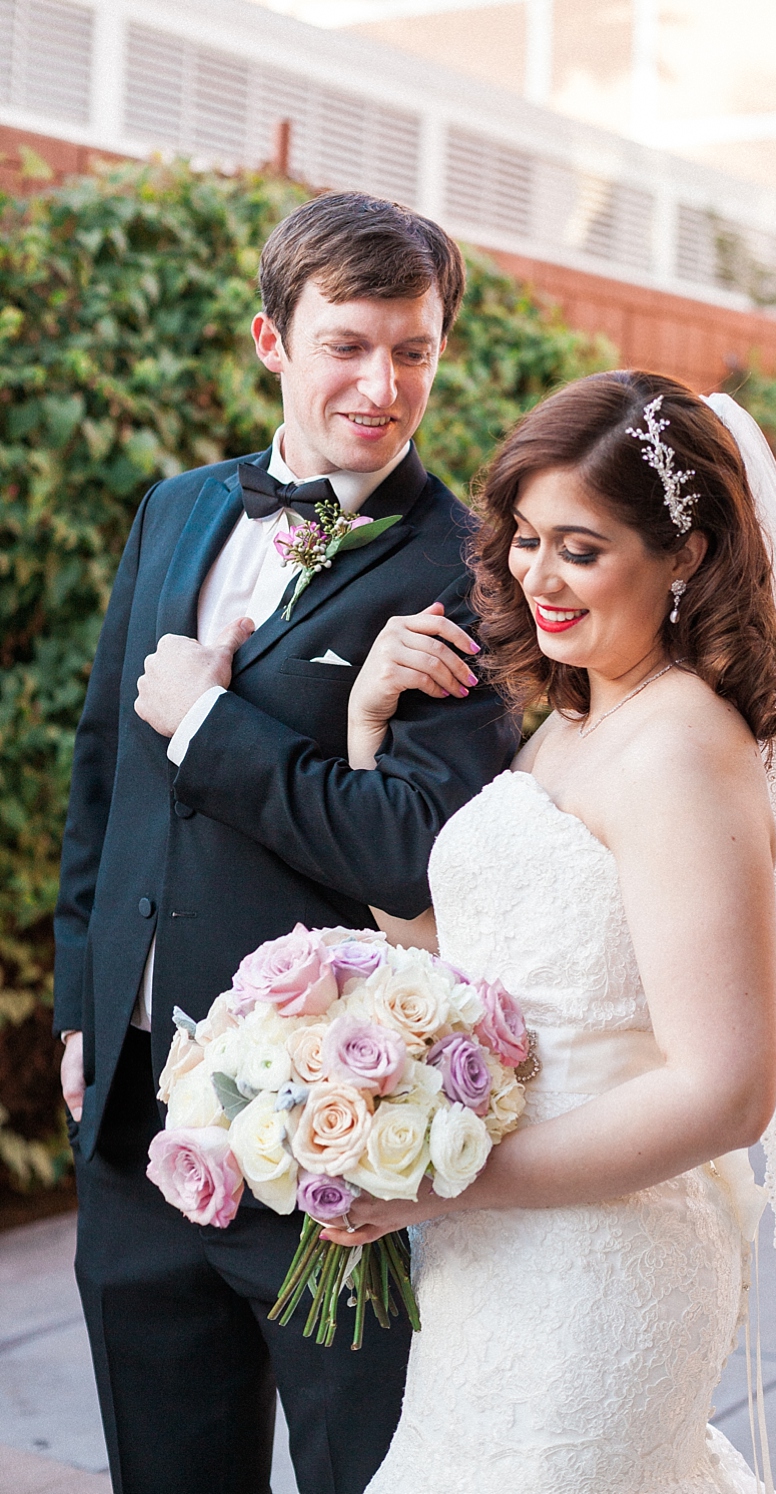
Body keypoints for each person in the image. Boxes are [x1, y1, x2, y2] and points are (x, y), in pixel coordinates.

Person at [328, 371, 776, 1494]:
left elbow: (724, 1090)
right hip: (491, 1261)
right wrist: (363, 737)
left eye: (579, 549)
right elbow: (458, 965)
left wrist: (447, 1185)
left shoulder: (681, 749)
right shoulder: (575, 719)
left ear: (682, 555)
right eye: (526, 538)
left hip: (593, 1274)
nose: (536, 574)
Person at [52, 191, 518, 1494]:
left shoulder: (467, 571)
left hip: (333, 1126)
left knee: (358, 1470)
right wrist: (81, 1005)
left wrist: (206, 720)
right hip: (137, 1117)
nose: (382, 385)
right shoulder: (176, 510)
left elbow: (409, 848)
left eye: (412, 349)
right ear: (273, 339)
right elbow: (104, 773)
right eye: (348, 343)